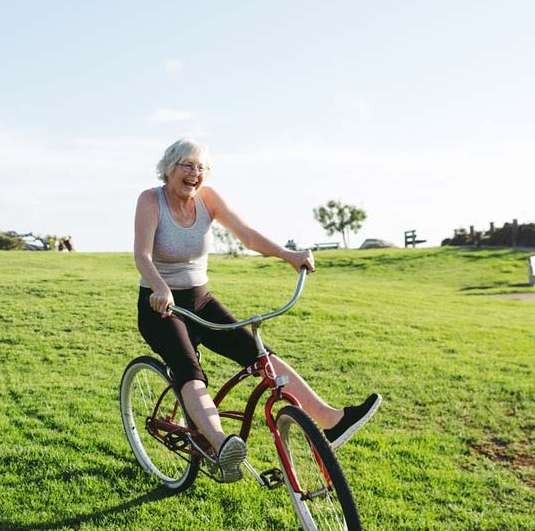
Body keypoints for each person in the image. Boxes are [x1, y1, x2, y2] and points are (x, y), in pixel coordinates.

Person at [134, 138, 380, 483]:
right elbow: (142, 255)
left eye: (201, 167)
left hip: (200, 299)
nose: (195, 173)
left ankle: (331, 421)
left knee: (258, 354)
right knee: (188, 369)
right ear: (169, 169)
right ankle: (222, 447)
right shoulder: (150, 200)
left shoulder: (208, 199)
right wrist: (160, 287)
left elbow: (247, 236)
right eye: (187, 166)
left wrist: (289, 256)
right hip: (161, 306)